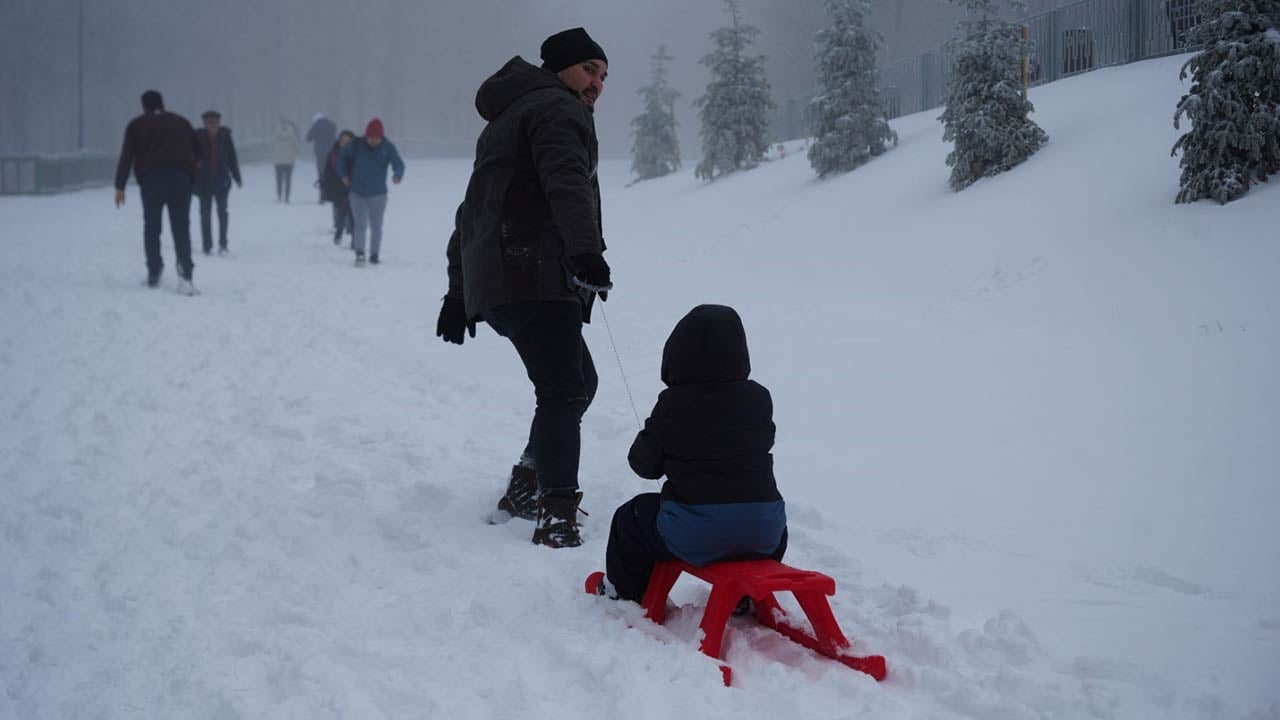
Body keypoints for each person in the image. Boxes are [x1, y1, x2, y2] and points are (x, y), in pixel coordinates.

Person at [435, 27, 611, 548]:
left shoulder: (508, 119)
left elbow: (474, 212)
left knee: (580, 380)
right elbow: (566, 179)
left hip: (507, 280)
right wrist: (585, 250)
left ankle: (527, 485)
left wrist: (458, 292)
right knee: (563, 389)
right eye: (588, 69)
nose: (597, 83)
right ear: (558, 69)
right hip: (536, 274)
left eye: (603, 75)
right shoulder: (558, 109)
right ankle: (556, 514)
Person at [597, 305, 787, 601]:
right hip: (766, 534)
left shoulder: (674, 403)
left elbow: (645, 466)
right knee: (762, 517)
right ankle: (745, 595)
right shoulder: (759, 398)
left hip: (696, 534)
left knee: (630, 518)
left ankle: (625, 593)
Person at [113, 89, 202, 295]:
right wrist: (189, 168)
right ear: (163, 103)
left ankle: (154, 270)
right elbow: (199, 150)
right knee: (181, 227)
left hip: (151, 181)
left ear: (144, 106)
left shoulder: (136, 125)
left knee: (152, 227)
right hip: (180, 180)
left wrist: (120, 186)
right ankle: (185, 274)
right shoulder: (181, 121)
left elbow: (127, 155)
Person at [336, 118, 405, 266]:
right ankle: (359, 253)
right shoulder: (355, 145)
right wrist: (343, 176)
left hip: (378, 194)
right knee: (360, 224)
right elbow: (340, 158)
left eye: (377, 138)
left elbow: (398, 163)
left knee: (376, 226)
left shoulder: (387, 147)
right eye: (371, 137)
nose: (373, 140)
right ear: (366, 135)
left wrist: (397, 174)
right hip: (357, 193)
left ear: (381, 137)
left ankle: (374, 254)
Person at [193, 110, 242, 256]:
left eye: (215, 122)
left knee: (222, 212)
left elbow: (232, 157)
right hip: (203, 182)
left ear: (219, 123)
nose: (212, 125)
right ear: (205, 123)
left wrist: (237, 177)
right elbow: (191, 158)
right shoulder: (198, 137)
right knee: (205, 214)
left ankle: (223, 244)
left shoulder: (225, 137)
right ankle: (207, 245)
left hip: (222, 181)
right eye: (209, 123)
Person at [320, 129, 356, 244]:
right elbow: (327, 171)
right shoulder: (333, 154)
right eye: (343, 140)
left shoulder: (357, 154)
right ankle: (339, 231)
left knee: (354, 212)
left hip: (354, 187)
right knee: (341, 212)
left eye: (348, 141)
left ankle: (354, 238)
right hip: (338, 187)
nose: (344, 143)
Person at [305, 112, 338, 200]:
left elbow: (308, 138)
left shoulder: (316, 126)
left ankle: (322, 197)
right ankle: (332, 195)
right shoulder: (332, 125)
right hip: (331, 153)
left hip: (320, 154)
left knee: (321, 175)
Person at [271, 118, 299, 203]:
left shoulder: (275, 133)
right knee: (288, 179)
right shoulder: (292, 134)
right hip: (289, 160)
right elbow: (296, 147)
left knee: (278, 178)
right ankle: (287, 196)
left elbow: (272, 146)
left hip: (278, 160)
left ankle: (279, 195)